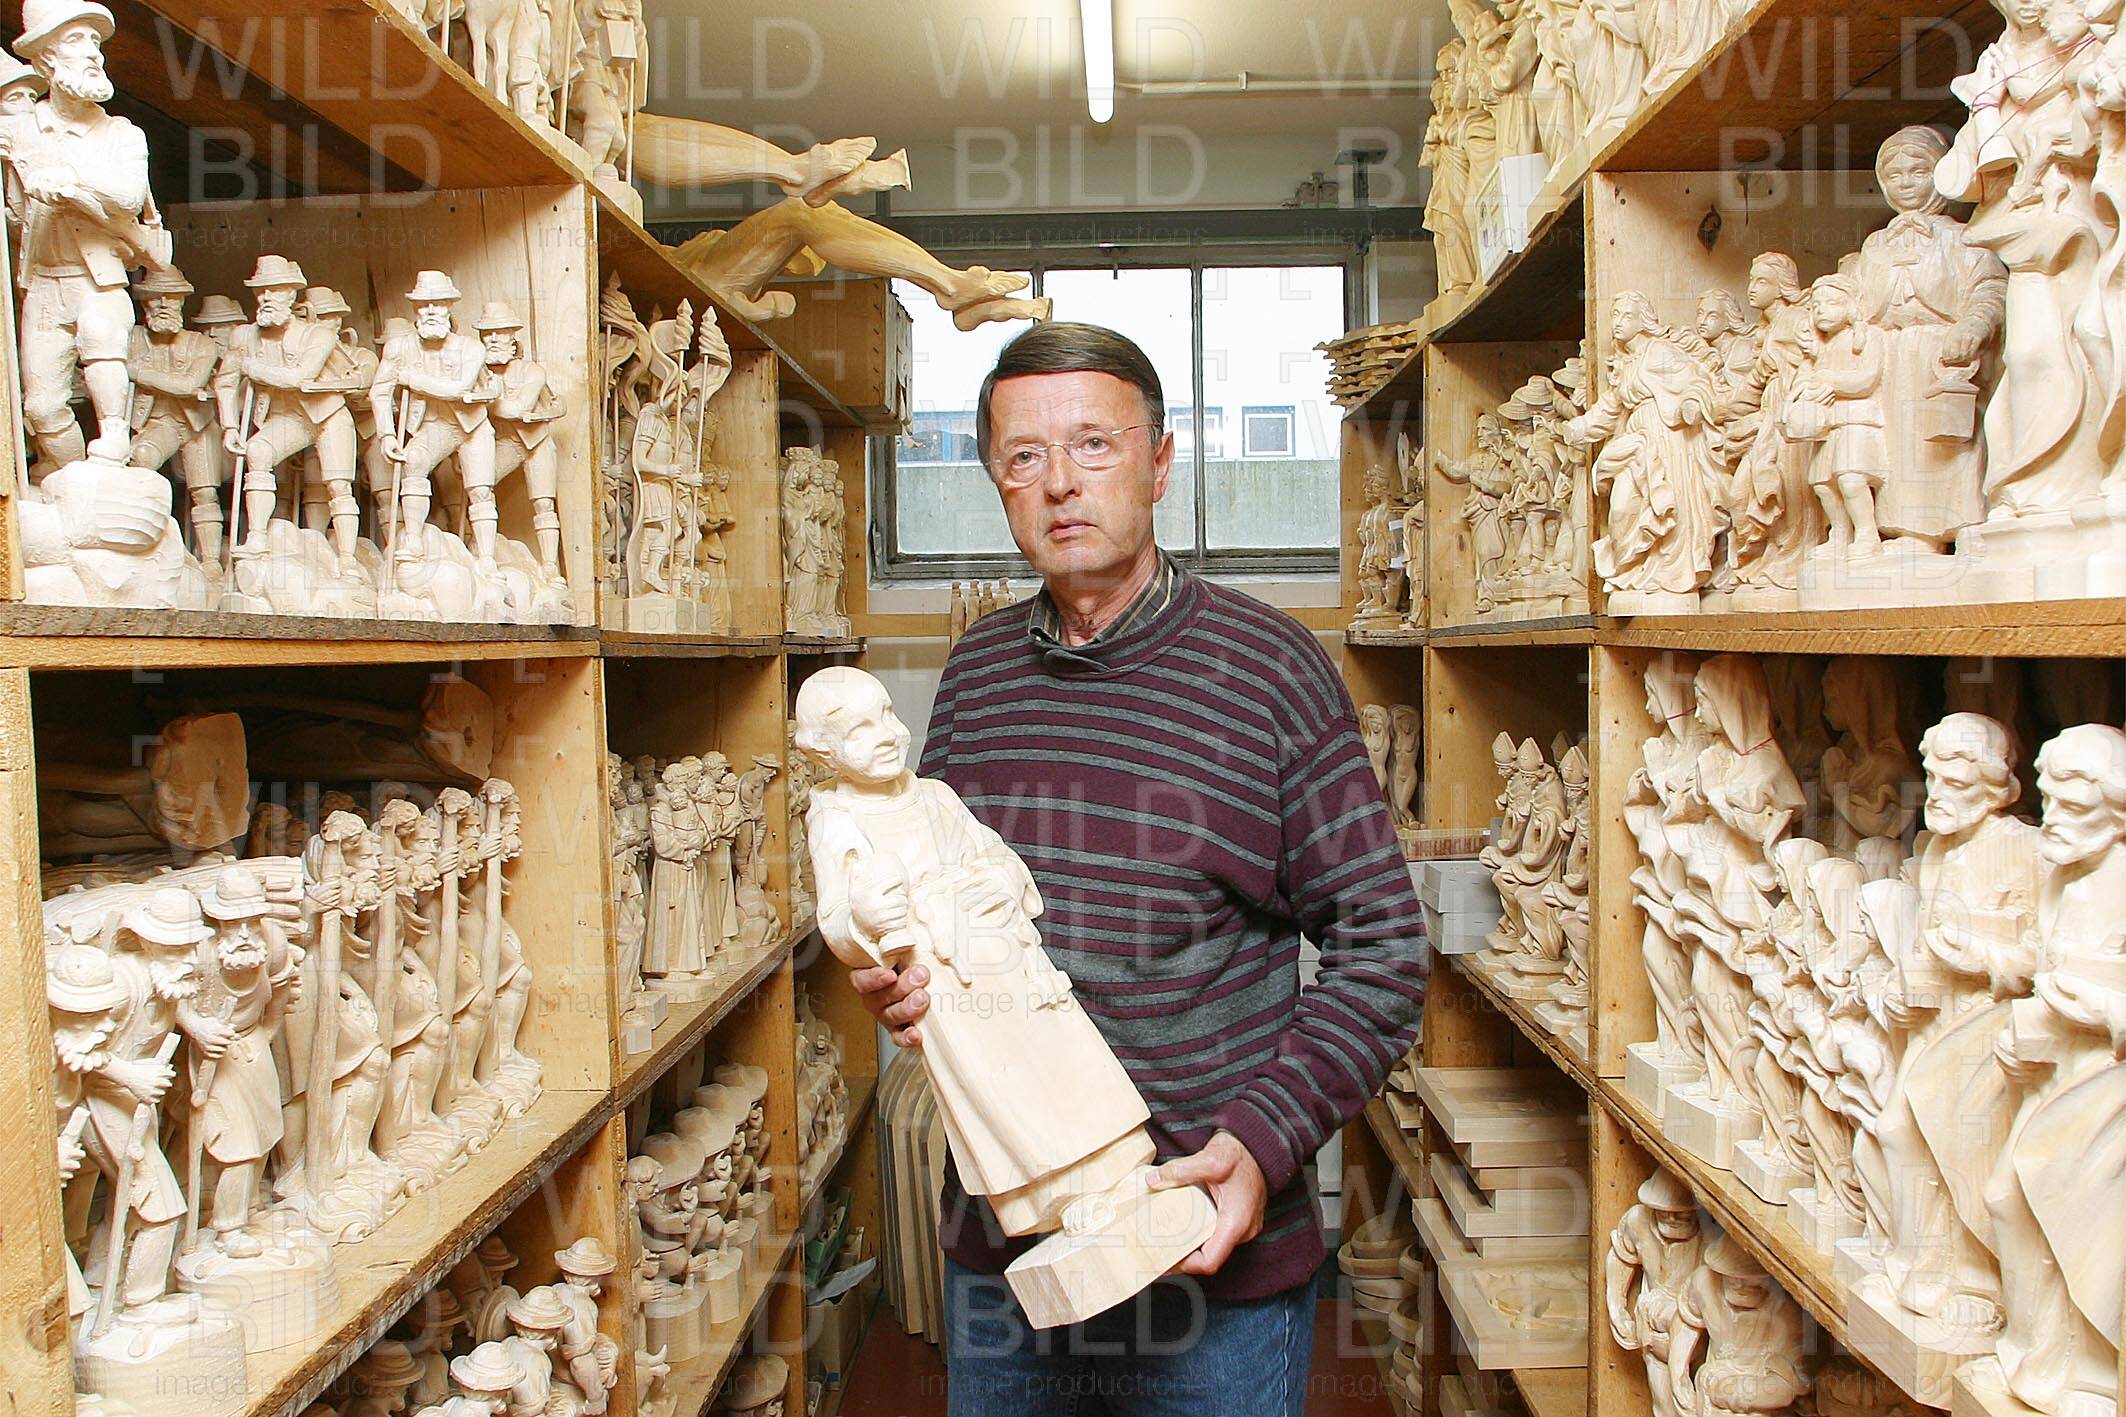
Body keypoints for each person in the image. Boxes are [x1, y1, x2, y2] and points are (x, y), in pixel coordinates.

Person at [842, 322, 1428, 1413]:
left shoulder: (1271, 671)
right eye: (1023, 455)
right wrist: (905, 980)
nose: (1059, 482)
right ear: (996, 482)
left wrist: (1260, 1141)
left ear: (1160, 463)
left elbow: (1384, 949)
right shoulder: (975, 675)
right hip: (1008, 1260)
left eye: (1093, 445)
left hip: (1210, 1253)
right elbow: (939, 911)